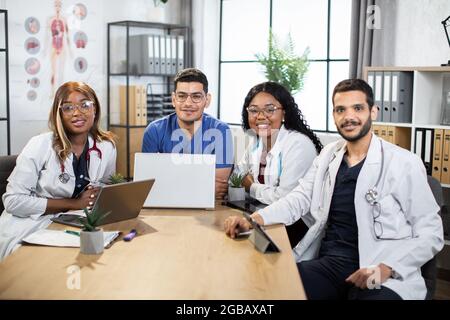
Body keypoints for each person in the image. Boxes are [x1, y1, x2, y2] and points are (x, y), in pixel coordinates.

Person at [224, 79, 444, 300]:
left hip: (380, 269)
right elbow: (298, 199)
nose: (348, 117)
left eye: (357, 108)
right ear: (334, 115)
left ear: (373, 112)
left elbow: (431, 234)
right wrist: (255, 220)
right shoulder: (329, 156)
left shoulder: (403, 163)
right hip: (332, 265)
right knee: (276, 288)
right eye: (341, 109)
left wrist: (387, 268)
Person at [0, 81, 117, 260]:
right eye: (68, 108)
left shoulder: (106, 147)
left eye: (85, 105)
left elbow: (106, 188)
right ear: (59, 114)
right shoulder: (40, 145)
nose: (77, 112)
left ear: (95, 109)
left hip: (71, 223)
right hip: (30, 225)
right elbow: (13, 201)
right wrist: (73, 203)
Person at [142, 68, 234, 199]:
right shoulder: (154, 131)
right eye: (182, 96)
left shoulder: (221, 131)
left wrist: (169, 182)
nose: (188, 103)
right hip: (164, 206)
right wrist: (204, 187)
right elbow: (148, 185)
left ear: (207, 100)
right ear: (173, 99)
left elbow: (218, 188)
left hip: (208, 208)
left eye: (196, 96)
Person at [234, 82, 322, 205]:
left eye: (270, 110)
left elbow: (285, 199)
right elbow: (237, 176)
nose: (260, 116)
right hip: (263, 211)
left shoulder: (298, 144)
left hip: (296, 221)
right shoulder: (256, 142)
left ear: (284, 113)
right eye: (254, 110)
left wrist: (251, 186)